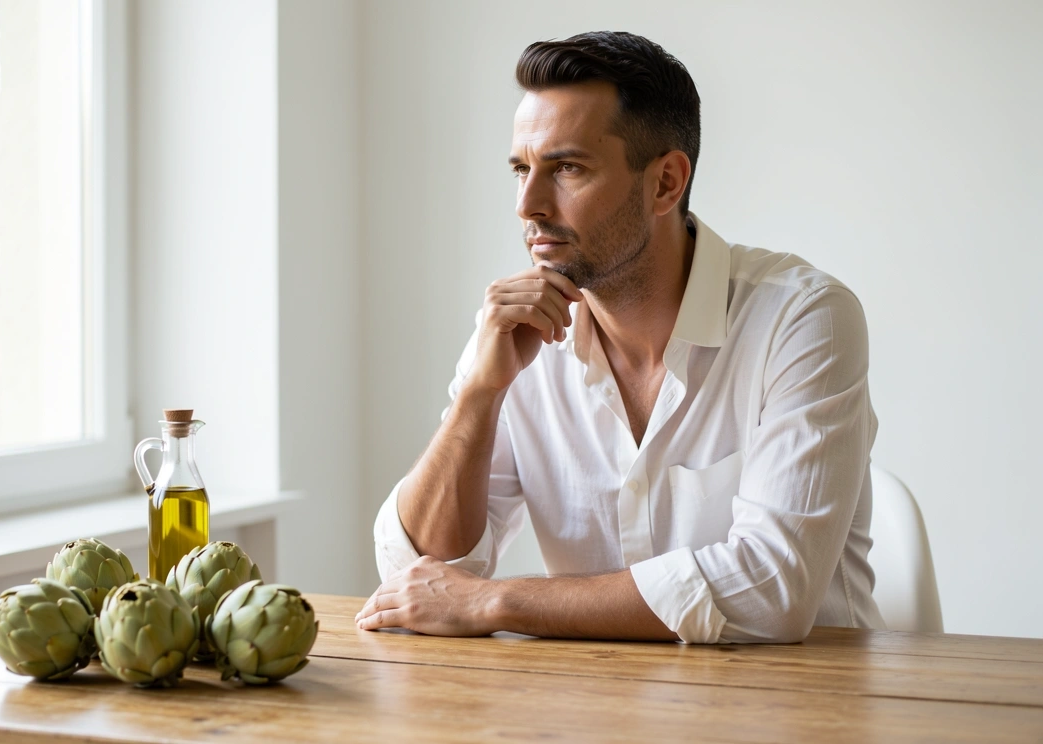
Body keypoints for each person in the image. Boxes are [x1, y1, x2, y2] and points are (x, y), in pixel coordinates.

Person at [357, 31, 884, 643]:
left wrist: (496, 602)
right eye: (521, 169)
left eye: (568, 168)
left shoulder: (802, 319)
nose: (528, 204)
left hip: (802, 695)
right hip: (596, 693)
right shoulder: (514, 336)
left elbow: (771, 590)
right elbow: (419, 573)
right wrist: (479, 393)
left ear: (665, 183)